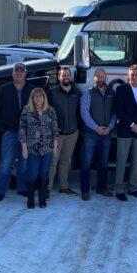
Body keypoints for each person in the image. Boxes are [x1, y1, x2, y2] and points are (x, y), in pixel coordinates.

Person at [0, 62, 33, 201]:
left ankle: (22, 188)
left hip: (26, 134)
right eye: (16, 71)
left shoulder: (33, 90)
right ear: (12, 73)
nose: (19, 73)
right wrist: (1, 130)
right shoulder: (3, 90)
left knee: (24, 163)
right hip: (9, 133)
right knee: (5, 163)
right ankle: (0, 190)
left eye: (21, 71)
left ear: (25, 73)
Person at [113, 64, 137, 201]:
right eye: (132, 74)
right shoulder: (121, 90)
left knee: (135, 161)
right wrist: (131, 124)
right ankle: (119, 190)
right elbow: (119, 110)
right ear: (128, 75)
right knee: (122, 161)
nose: (134, 76)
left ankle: (133, 188)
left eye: (136, 74)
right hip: (125, 130)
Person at [79, 68, 115, 201]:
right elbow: (84, 113)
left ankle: (102, 188)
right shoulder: (88, 94)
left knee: (103, 163)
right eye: (98, 76)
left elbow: (115, 113)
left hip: (106, 133)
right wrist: (96, 128)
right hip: (91, 134)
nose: (100, 78)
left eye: (102, 75)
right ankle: (85, 190)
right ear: (94, 78)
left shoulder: (111, 93)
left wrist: (109, 127)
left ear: (106, 77)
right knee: (87, 162)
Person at [20, 88, 58, 209]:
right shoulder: (27, 110)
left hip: (47, 148)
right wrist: (24, 148)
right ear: (32, 98)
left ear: (44, 97)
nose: (38, 98)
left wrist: (55, 147)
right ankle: (30, 199)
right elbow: (22, 130)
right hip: (32, 149)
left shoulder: (50, 110)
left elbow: (55, 130)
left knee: (44, 174)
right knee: (32, 175)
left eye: (40, 96)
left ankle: (42, 199)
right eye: (35, 96)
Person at [46, 67, 82, 197]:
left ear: (71, 77)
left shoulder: (76, 93)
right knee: (52, 161)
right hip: (57, 134)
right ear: (59, 77)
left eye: (68, 75)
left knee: (66, 161)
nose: (66, 77)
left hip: (72, 133)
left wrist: (78, 127)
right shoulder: (52, 92)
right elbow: (47, 113)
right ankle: (47, 188)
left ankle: (63, 186)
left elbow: (80, 112)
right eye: (63, 75)